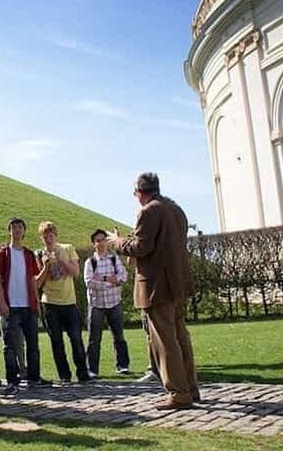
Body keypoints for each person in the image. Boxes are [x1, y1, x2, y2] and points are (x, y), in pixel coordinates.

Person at [108, 172, 199, 410]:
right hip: (177, 282)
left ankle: (178, 393)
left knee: (165, 341)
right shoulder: (176, 209)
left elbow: (141, 247)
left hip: (157, 286)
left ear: (140, 192)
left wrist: (117, 241)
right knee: (180, 337)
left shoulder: (148, 211)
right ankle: (190, 387)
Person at [0, 217, 48, 394]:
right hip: (11, 305)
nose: (17, 230)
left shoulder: (28, 254)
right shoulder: (3, 253)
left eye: (20, 227)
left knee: (33, 344)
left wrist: (37, 304)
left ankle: (33, 377)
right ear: (9, 231)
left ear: (24, 231)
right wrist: (1, 303)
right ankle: (12, 380)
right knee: (10, 346)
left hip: (28, 305)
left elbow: (33, 280)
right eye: (14, 227)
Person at [35, 221, 90, 383]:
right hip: (50, 303)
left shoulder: (67, 248)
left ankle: (83, 374)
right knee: (56, 342)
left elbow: (76, 273)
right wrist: (45, 266)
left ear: (55, 235)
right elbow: (38, 282)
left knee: (76, 339)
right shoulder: (39, 254)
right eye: (45, 236)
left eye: (50, 235)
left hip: (69, 302)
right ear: (41, 238)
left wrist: (62, 260)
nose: (48, 238)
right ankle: (64, 376)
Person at [84, 229, 130, 378]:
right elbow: (89, 282)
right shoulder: (90, 262)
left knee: (119, 335)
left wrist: (103, 279)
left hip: (114, 302)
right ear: (93, 244)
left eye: (103, 239)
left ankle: (122, 365)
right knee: (94, 338)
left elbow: (123, 277)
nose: (101, 243)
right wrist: (109, 281)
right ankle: (92, 369)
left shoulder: (114, 259)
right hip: (96, 304)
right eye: (97, 240)